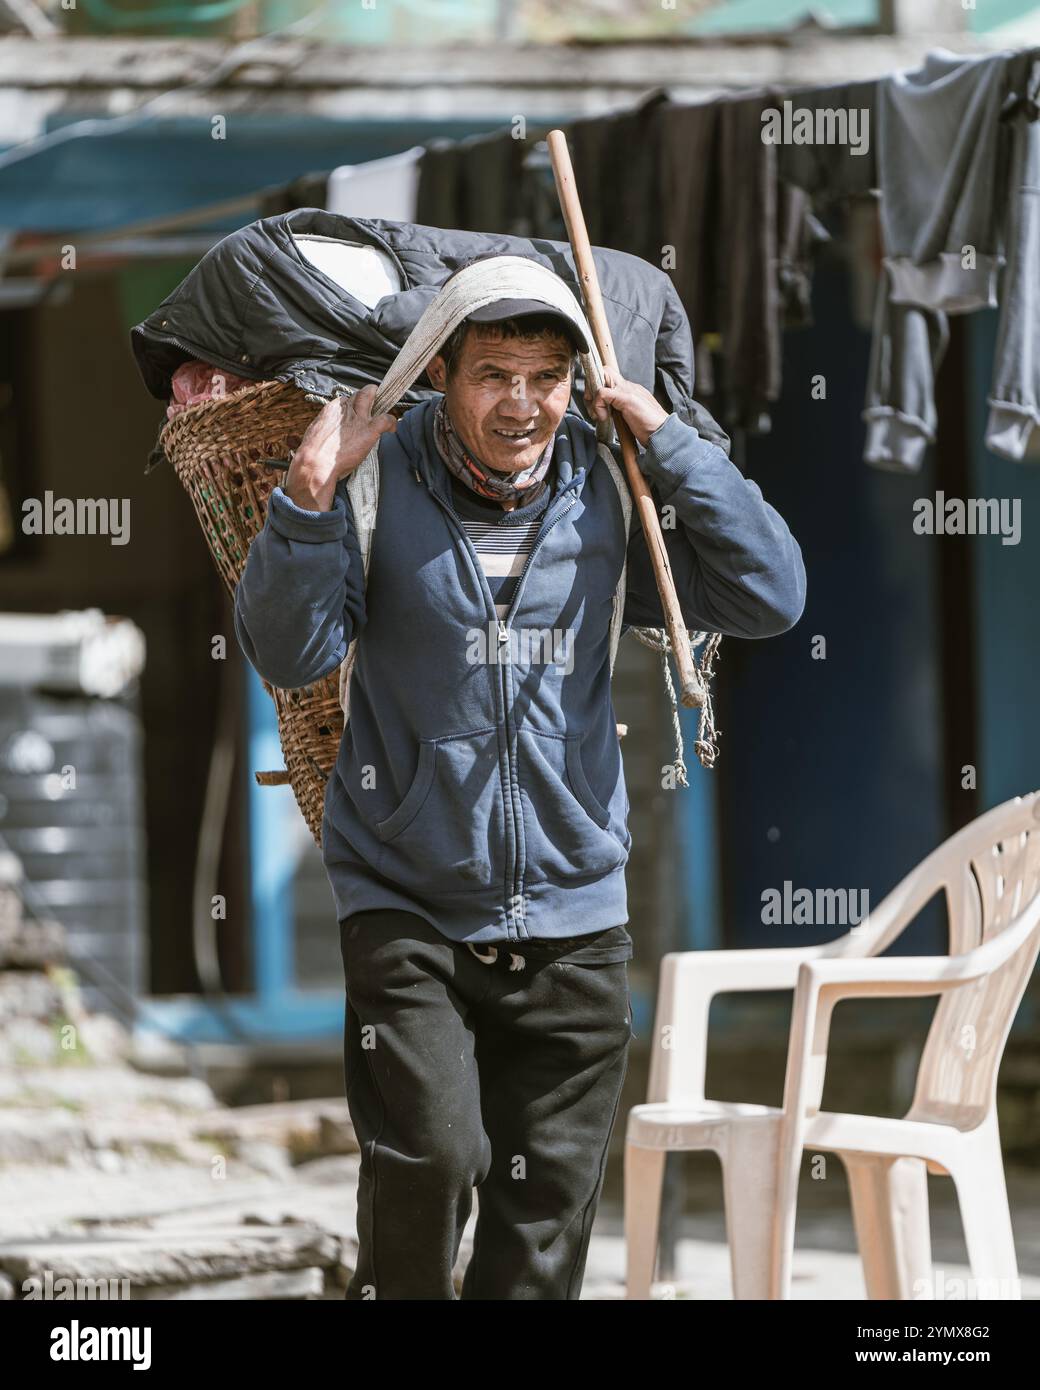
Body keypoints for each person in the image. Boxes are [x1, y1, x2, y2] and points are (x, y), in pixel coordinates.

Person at [233, 257, 807, 1300]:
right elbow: (287, 651)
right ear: (443, 375)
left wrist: (667, 447)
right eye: (494, 373)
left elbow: (768, 593)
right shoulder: (376, 479)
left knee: (544, 1212)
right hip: (407, 895)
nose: (521, 403)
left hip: (573, 902)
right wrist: (308, 500)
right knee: (434, 1157)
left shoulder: (610, 485)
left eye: (547, 377)